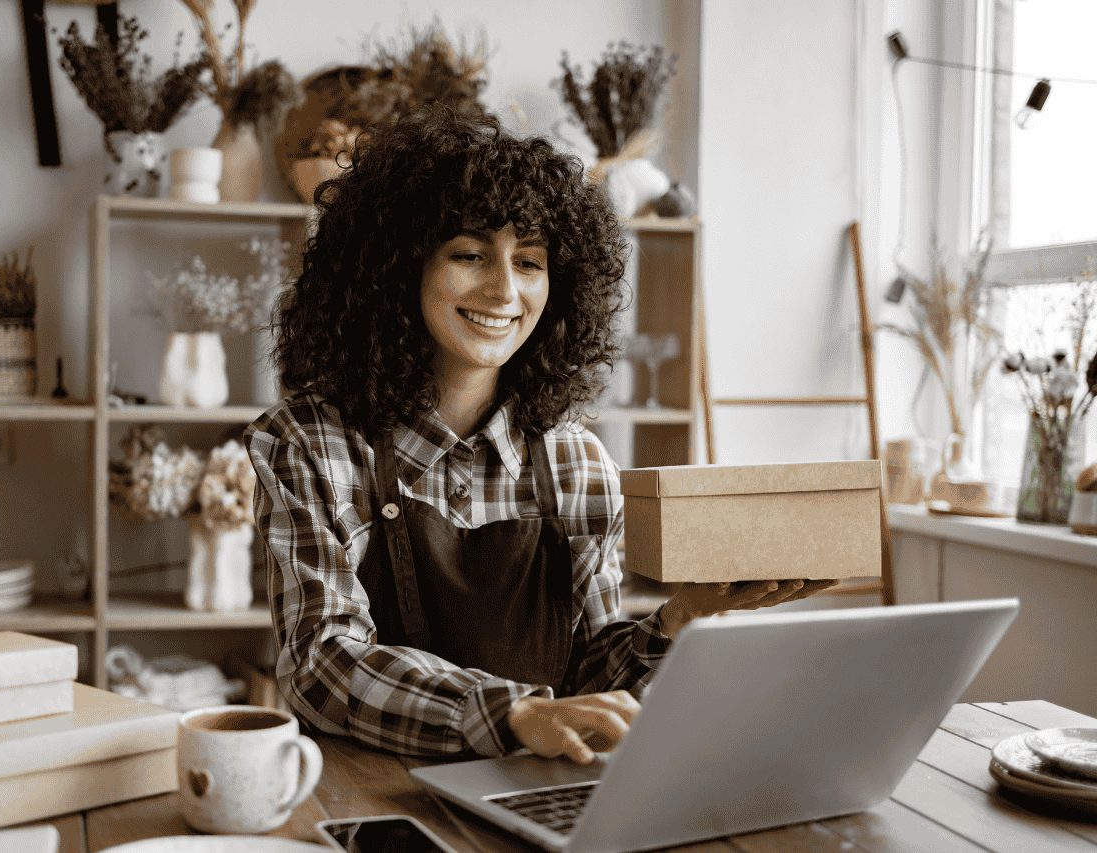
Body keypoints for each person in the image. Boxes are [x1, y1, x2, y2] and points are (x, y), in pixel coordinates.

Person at [244, 107, 833, 766]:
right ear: (394, 267)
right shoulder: (312, 442)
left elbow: (592, 675)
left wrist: (684, 616)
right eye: (469, 254)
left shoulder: (574, 458)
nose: (503, 290)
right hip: (374, 798)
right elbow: (324, 664)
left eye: (529, 262)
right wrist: (514, 714)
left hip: (528, 795)